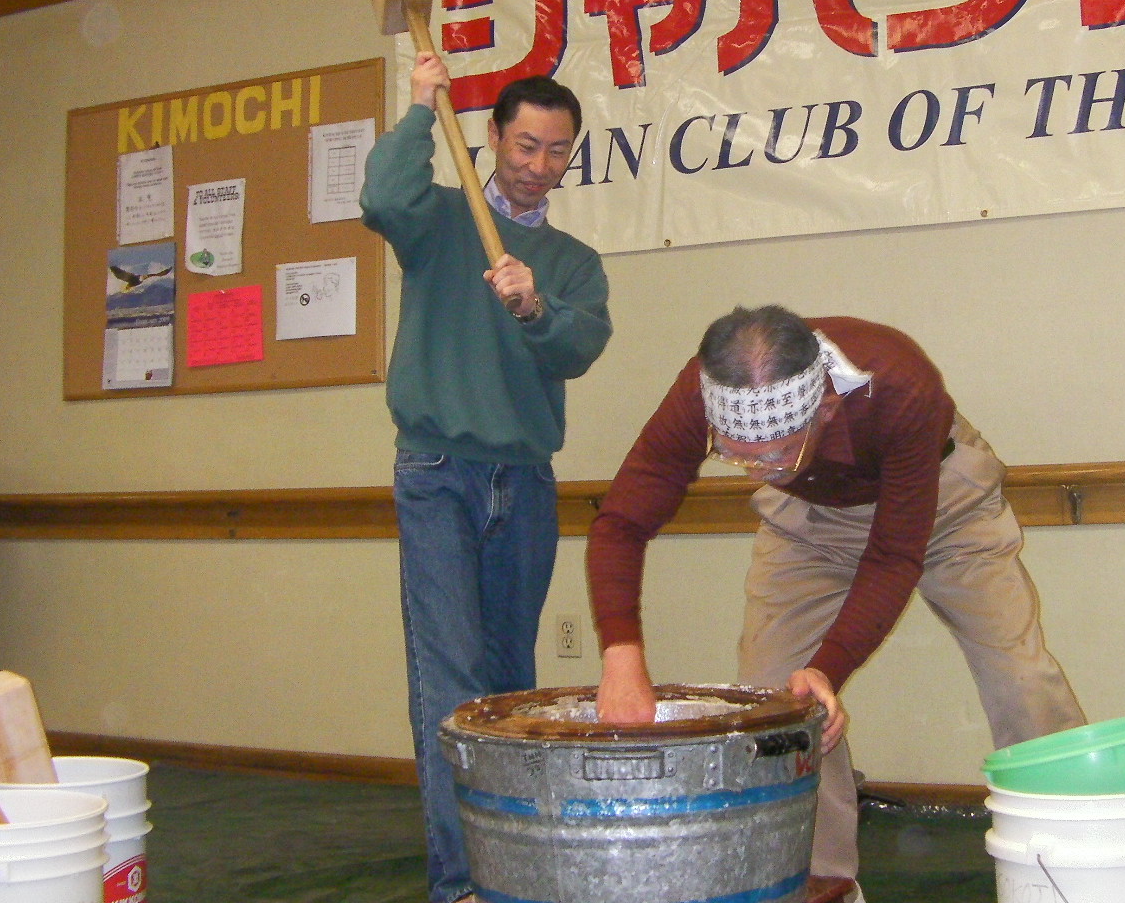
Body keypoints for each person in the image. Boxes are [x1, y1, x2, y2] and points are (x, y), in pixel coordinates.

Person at [587, 306, 1083, 889]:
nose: (757, 471)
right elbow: (620, 522)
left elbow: (893, 556)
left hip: (947, 504)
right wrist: (620, 655)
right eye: (737, 455)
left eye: (776, 453)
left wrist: (828, 667)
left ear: (826, 409)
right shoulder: (702, 391)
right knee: (779, 707)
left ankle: (1079, 870)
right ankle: (820, 888)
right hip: (810, 519)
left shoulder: (900, 384)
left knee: (1021, 680)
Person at [361, 51, 612, 903]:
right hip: (436, 472)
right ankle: (462, 883)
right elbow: (380, 199)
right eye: (525, 145)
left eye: (557, 151)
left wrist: (536, 305)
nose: (539, 165)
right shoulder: (437, 219)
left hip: (526, 480)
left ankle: (514, 866)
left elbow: (580, 346)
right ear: (495, 139)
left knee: (509, 680)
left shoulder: (572, 261)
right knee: (450, 676)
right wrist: (419, 106)